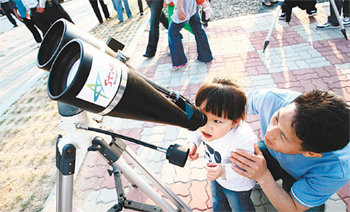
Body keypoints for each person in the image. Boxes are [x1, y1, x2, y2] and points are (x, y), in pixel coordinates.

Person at [230, 88, 350, 211]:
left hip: (302, 177)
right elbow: (228, 104)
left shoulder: (335, 171)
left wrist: (263, 177)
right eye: (276, 118)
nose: (269, 133)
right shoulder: (273, 99)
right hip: (273, 154)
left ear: (311, 154)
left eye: (283, 136)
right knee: (235, 160)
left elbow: (293, 208)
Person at [188, 78, 258, 212]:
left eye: (217, 121)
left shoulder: (243, 139)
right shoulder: (205, 128)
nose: (206, 126)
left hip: (237, 185)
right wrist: (193, 144)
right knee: (218, 201)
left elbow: (247, 168)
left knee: (240, 208)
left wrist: (224, 171)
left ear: (235, 122)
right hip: (216, 174)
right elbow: (197, 132)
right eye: (203, 117)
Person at [168, 0, 213, 70]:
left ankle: (179, 62)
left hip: (184, 5)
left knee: (173, 33)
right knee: (198, 29)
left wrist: (180, 8)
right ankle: (205, 56)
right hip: (192, 5)